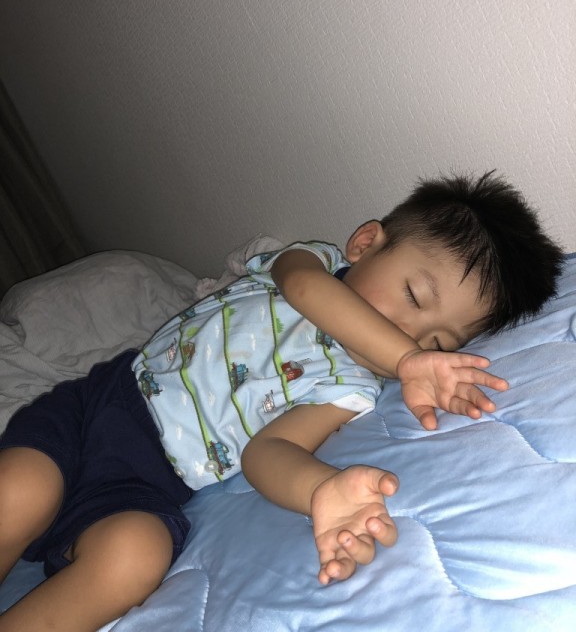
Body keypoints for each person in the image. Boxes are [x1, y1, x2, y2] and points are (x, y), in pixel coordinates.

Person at [0, 171, 563, 632]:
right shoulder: (306, 264)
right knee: (22, 489)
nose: (411, 335)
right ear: (365, 245)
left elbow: (266, 453)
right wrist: (409, 360)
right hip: (101, 406)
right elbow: (305, 291)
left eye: (439, 342)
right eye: (414, 296)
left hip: (147, 483)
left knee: (135, 556)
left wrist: (321, 490)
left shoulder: (351, 388)